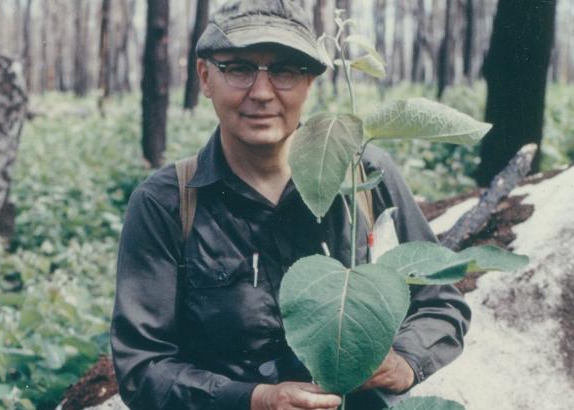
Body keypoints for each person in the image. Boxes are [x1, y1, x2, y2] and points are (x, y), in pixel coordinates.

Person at [110, 1, 471, 409]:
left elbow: (440, 303)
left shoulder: (364, 177)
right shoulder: (168, 202)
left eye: (284, 70)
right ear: (205, 76)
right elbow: (143, 366)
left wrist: (403, 363)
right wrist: (255, 400)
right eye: (238, 68)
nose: (262, 94)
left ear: (310, 82)